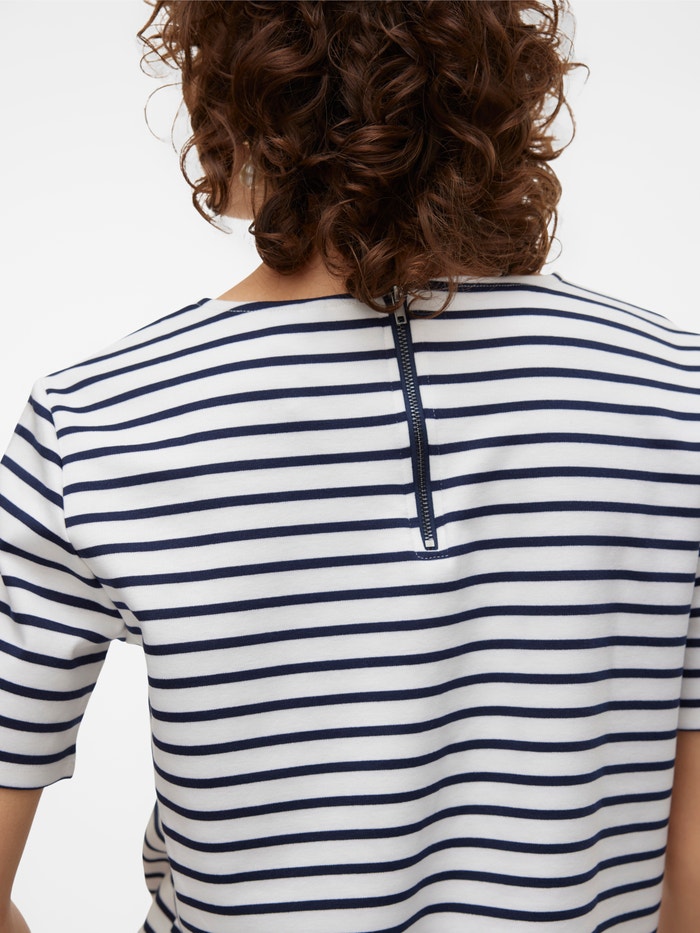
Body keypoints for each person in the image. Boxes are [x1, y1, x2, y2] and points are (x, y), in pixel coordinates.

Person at [0, 1, 698, 931]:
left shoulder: (96, 418)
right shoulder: (677, 392)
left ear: (233, 86)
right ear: (496, 80)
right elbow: (691, 882)